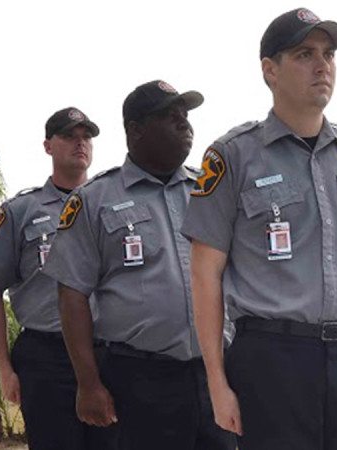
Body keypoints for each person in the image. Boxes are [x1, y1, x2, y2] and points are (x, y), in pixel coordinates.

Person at [181, 8, 337, 449]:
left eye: (329, 54)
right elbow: (205, 274)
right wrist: (217, 382)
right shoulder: (233, 156)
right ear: (269, 71)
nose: (323, 66)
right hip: (272, 360)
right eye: (304, 54)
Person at [43, 80, 236, 450]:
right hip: (140, 379)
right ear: (136, 129)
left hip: (215, 372)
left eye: (186, 116)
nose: (185, 124)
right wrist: (88, 384)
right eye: (171, 116)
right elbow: (71, 294)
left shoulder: (209, 191)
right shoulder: (95, 200)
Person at [0, 107, 116, 449]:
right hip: (47, 358)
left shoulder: (114, 204)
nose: (80, 144)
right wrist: (5, 368)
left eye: (86, 137)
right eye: (69, 136)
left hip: (109, 353)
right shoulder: (22, 211)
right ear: (47, 145)